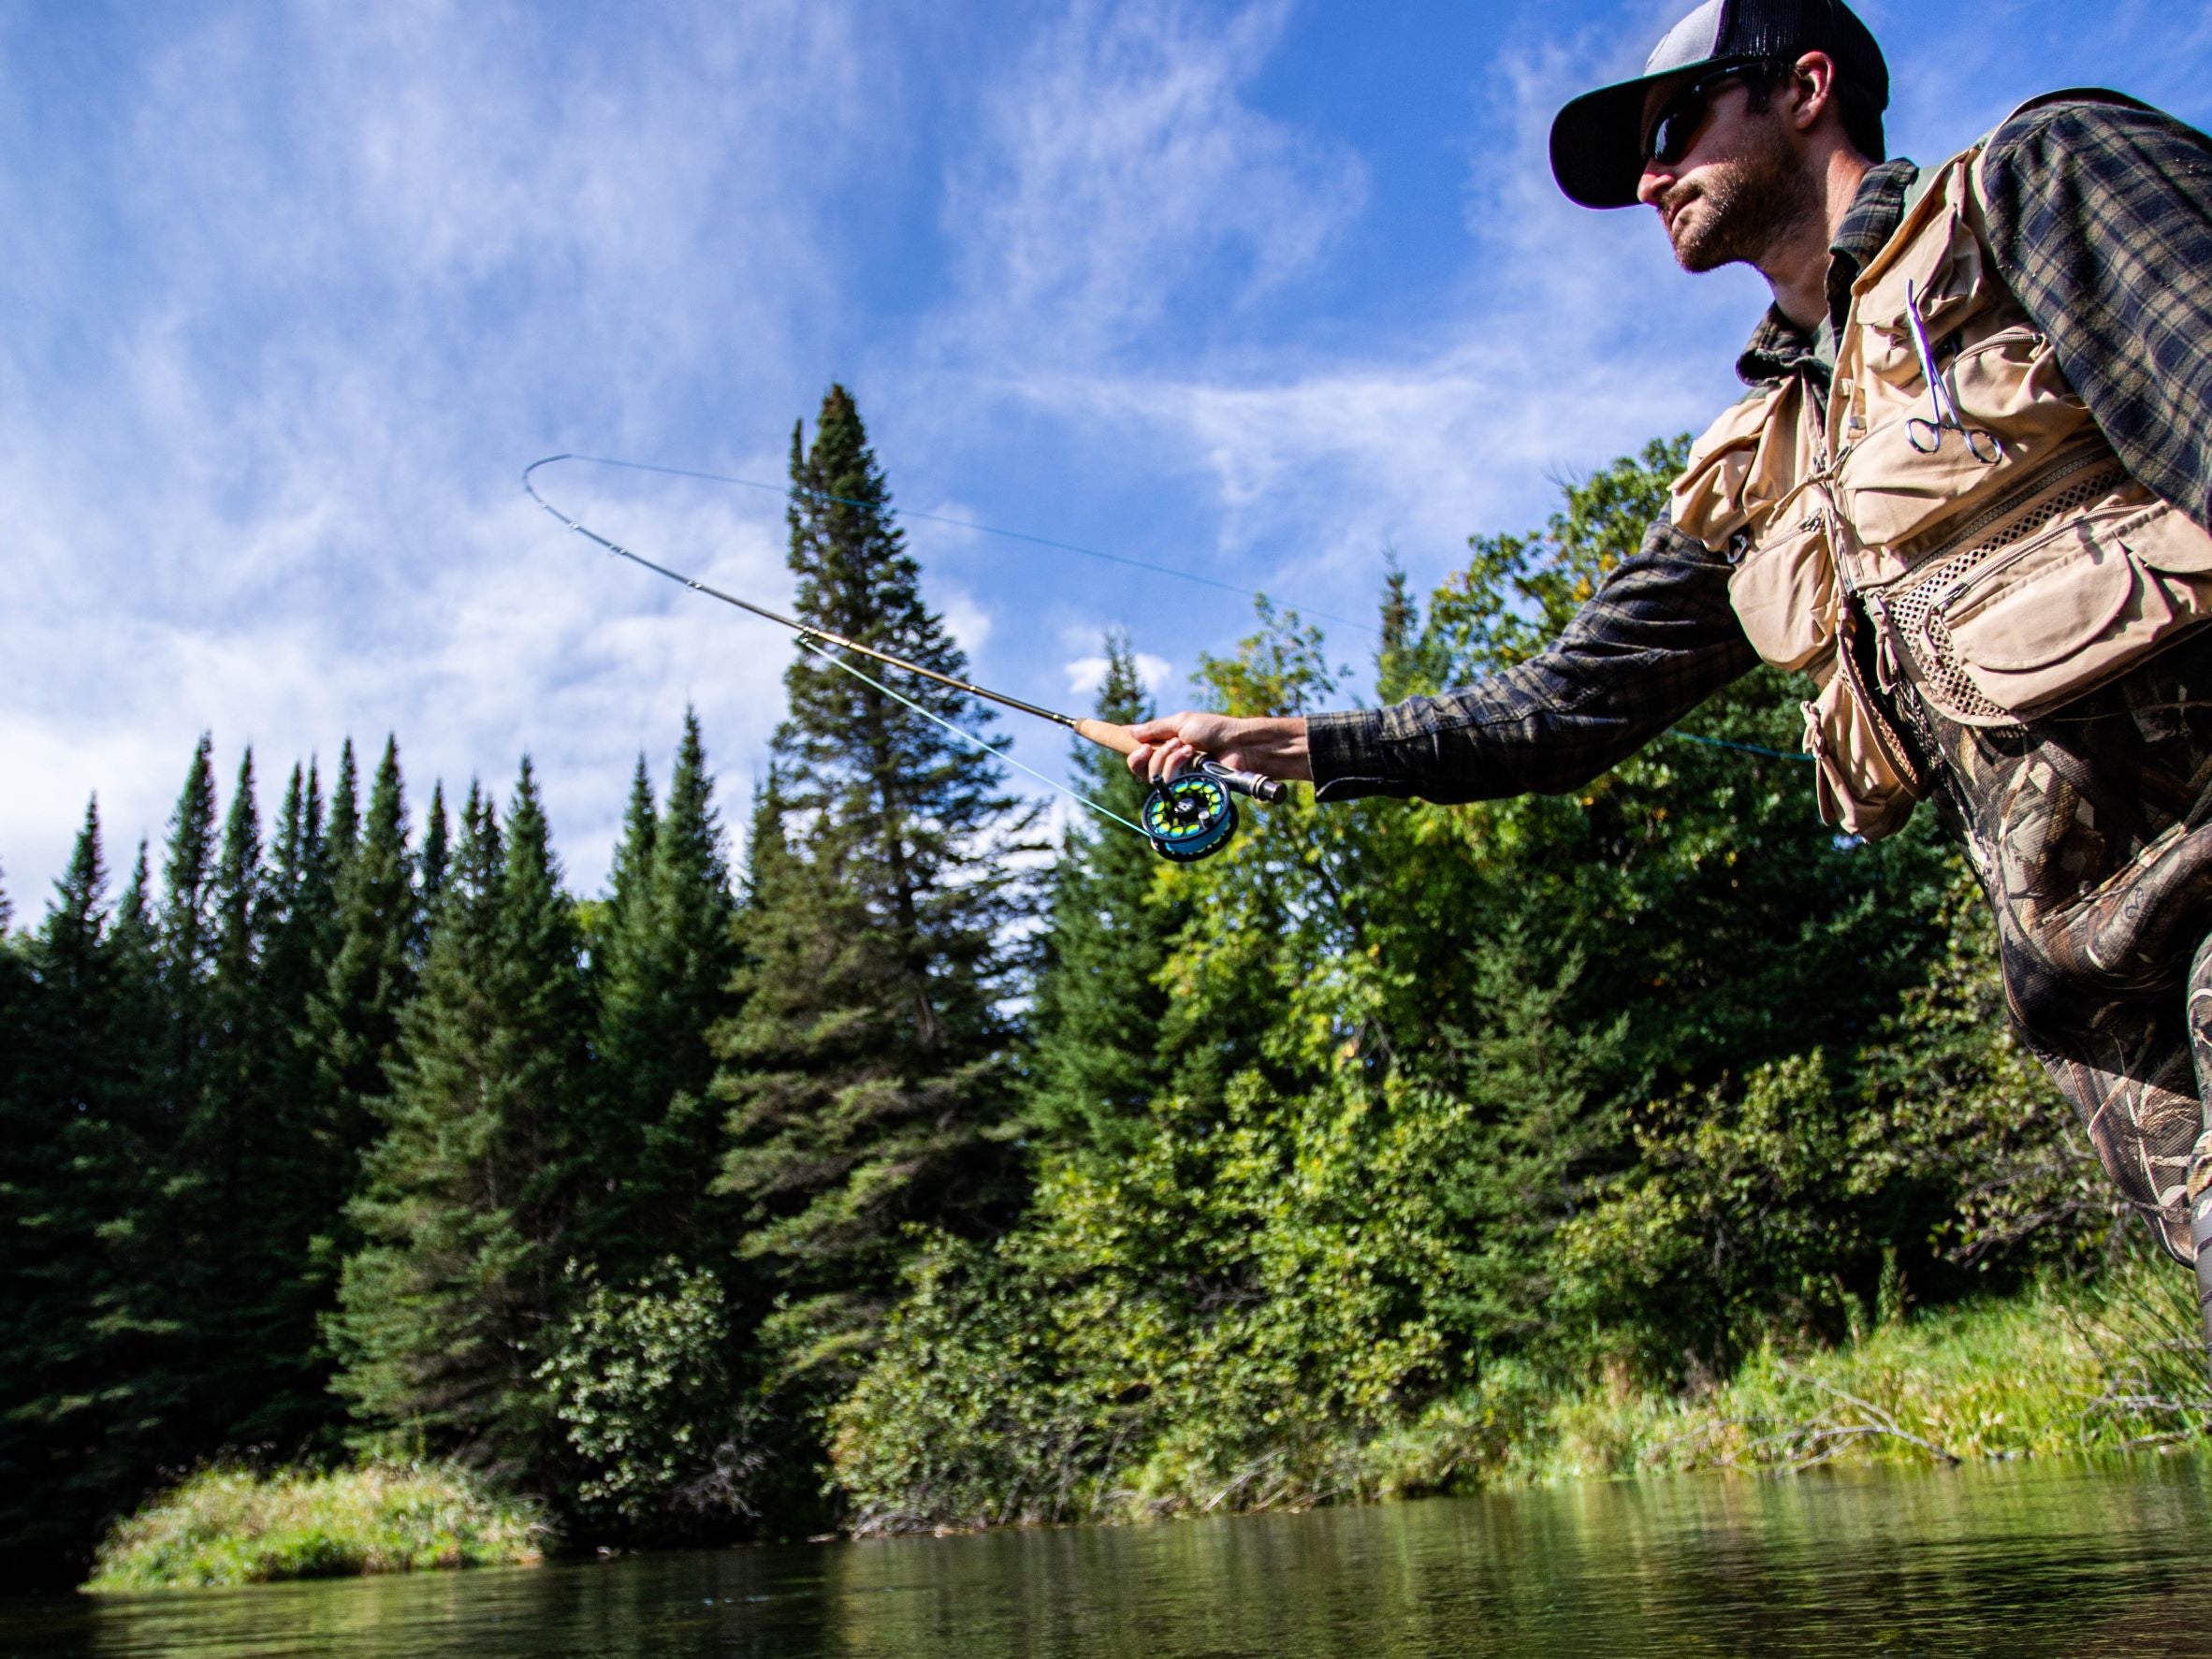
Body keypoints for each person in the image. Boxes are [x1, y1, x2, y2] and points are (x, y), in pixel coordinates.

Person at [1125, 0, 2212, 1349]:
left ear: (1806, 86)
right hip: (2114, 1039)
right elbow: (1561, 707)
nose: (1649, 176)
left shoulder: (2038, 185)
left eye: (1675, 123)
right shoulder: (1765, 461)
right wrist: (1274, 742)